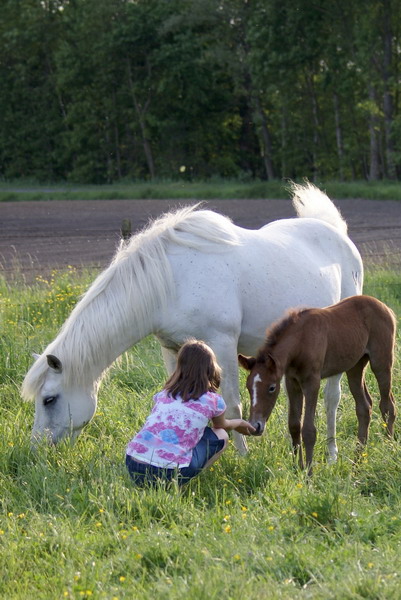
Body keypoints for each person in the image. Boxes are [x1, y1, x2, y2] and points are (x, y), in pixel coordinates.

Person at [125, 338, 255, 486]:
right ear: (211, 368)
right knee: (221, 436)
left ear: (180, 366)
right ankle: (180, 484)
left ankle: (149, 482)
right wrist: (239, 422)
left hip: (133, 462)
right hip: (169, 473)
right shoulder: (212, 400)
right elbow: (221, 426)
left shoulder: (165, 394)